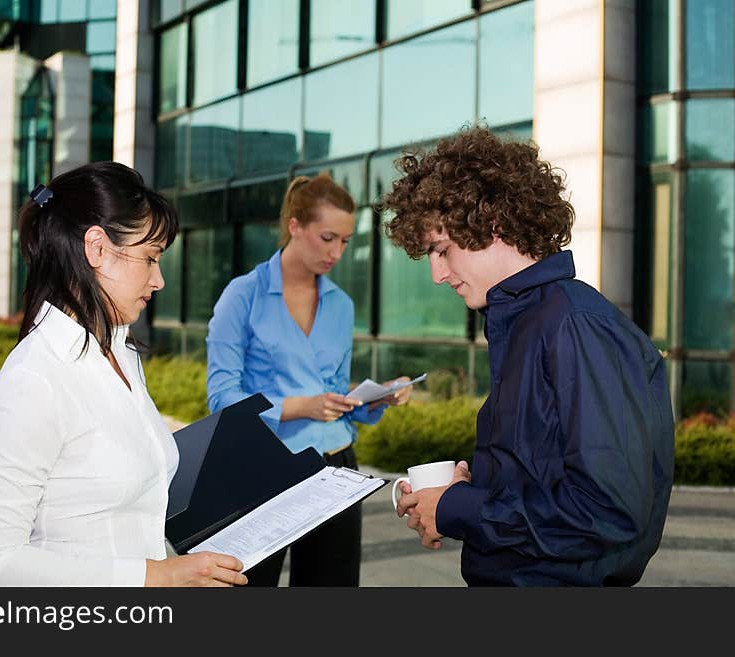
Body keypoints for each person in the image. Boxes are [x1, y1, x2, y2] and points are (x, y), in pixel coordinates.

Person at [382, 126, 675, 586]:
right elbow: (544, 479)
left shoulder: (574, 325)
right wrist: (464, 493)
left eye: (442, 250)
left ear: (493, 224)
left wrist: (460, 507)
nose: (438, 274)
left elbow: (608, 509)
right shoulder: (527, 323)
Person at [0, 162, 247, 587]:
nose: (159, 280)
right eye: (149, 258)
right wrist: (160, 578)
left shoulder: (122, 354)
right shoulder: (35, 378)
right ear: (96, 248)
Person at [206, 173, 412, 586]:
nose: (337, 251)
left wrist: (372, 399)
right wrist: (301, 406)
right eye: (328, 237)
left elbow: (334, 393)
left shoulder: (342, 305)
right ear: (295, 227)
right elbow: (221, 399)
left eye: (345, 241)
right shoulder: (242, 296)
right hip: (262, 470)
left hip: (336, 467)